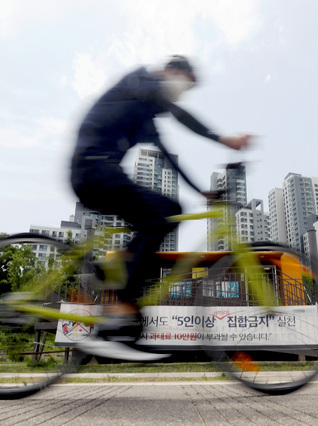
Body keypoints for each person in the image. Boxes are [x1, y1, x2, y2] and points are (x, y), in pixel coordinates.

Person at [70, 55, 252, 359]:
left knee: (166, 209)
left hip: (97, 172)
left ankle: (116, 270)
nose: (183, 91)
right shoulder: (141, 82)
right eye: (185, 82)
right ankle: (122, 308)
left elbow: (168, 153)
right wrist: (222, 139)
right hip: (94, 171)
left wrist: (202, 192)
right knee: (161, 215)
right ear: (170, 71)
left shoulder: (145, 110)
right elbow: (181, 114)